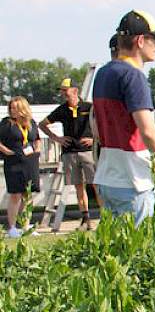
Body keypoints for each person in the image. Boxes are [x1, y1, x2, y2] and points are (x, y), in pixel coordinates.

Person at [92, 10, 155, 226]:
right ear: (141, 40)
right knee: (138, 251)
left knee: (115, 251)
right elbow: (148, 130)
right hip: (133, 181)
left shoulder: (103, 73)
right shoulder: (134, 76)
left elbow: (96, 128)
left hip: (107, 177)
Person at [40, 78, 100, 229]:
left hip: (87, 152)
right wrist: (56, 138)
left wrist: (95, 139)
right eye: (61, 91)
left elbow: (103, 123)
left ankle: (105, 217)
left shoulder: (90, 107)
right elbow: (42, 124)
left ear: (75, 90)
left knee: (96, 185)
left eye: (65, 90)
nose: (63, 93)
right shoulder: (61, 109)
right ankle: (85, 219)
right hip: (69, 153)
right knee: (78, 187)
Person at [1, 97, 41, 237]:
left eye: (15, 108)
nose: (12, 111)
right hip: (14, 162)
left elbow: (36, 138)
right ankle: (12, 227)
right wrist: (7, 152)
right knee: (15, 194)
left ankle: (25, 225)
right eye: (11, 108)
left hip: (30, 162)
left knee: (27, 194)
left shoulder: (31, 122)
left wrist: (37, 150)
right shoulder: (7, 123)